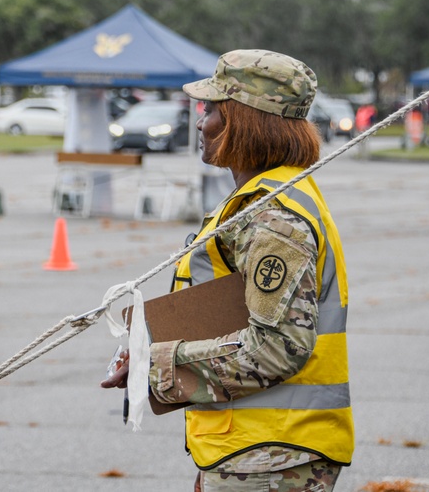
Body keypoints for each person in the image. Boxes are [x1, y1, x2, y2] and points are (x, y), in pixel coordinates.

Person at [102, 50, 353, 491]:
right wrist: (152, 344)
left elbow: (276, 348)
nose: (200, 123)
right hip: (255, 451)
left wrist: (157, 365)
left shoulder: (276, 219)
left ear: (246, 121)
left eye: (211, 109)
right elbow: (228, 309)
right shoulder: (262, 198)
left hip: (272, 458)